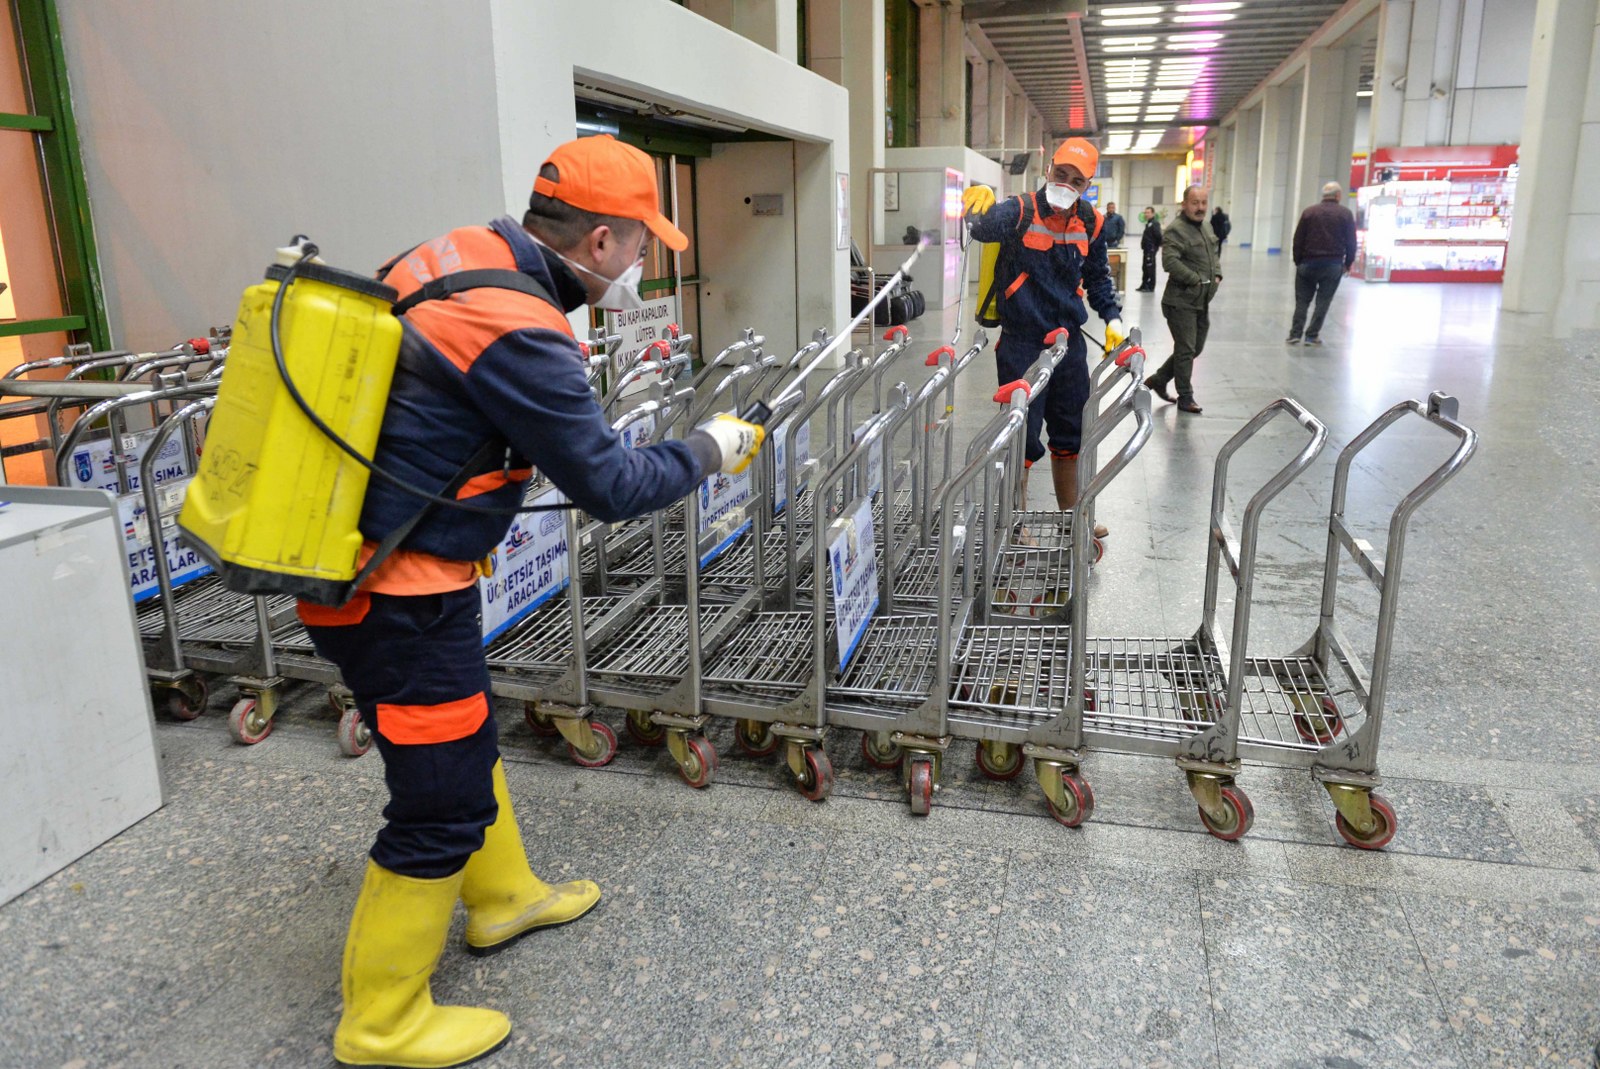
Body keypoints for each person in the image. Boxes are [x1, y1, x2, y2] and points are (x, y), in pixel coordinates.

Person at [299, 134, 764, 1069]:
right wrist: (710, 449)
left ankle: (503, 896)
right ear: (601, 241)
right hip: (393, 593)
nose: (642, 263)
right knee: (439, 800)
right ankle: (381, 1021)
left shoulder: (459, 255)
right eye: (641, 244)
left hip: (388, 567)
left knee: (465, 734)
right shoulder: (518, 325)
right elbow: (610, 484)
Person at [962, 137, 1124, 530]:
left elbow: (1098, 277)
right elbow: (981, 228)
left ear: (1087, 185)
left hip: (1068, 346)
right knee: (1021, 434)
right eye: (1061, 173)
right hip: (1023, 344)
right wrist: (978, 200)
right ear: (1049, 168)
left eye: (1076, 180)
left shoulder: (1092, 222)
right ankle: (1014, 523)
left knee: (1072, 432)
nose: (1066, 184)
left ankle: (1071, 515)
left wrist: (1112, 318)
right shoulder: (1020, 210)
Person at [1146, 185, 1221, 414]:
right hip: (1180, 301)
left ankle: (1159, 379)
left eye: (1203, 203)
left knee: (1194, 348)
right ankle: (1185, 397)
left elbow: (1213, 254)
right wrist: (1195, 279)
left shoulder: (1206, 227)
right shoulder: (1176, 230)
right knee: (1186, 349)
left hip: (1201, 301)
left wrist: (1217, 274)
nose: (1200, 208)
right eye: (1195, 203)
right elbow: (1170, 262)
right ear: (1184, 204)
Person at [1287, 181, 1358, 345]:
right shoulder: (1345, 214)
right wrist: (1348, 263)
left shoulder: (1309, 212)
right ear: (1338, 196)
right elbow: (1351, 242)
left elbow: (1298, 239)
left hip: (1307, 263)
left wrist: (1298, 261)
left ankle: (1295, 334)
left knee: (1302, 301)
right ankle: (1311, 336)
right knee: (1323, 302)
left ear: (1323, 195)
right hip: (1333, 264)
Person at [1137, 206, 1162, 291]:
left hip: (1151, 249)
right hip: (1146, 249)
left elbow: (1158, 236)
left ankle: (1150, 286)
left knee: (1150, 268)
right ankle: (1144, 285)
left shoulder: (1155, 223)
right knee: (1145, 267)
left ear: (1153, 214)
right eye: (1145, 213)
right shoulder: (1148, 223)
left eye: (1148, 213)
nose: (1146, 214)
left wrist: (1155, 247)